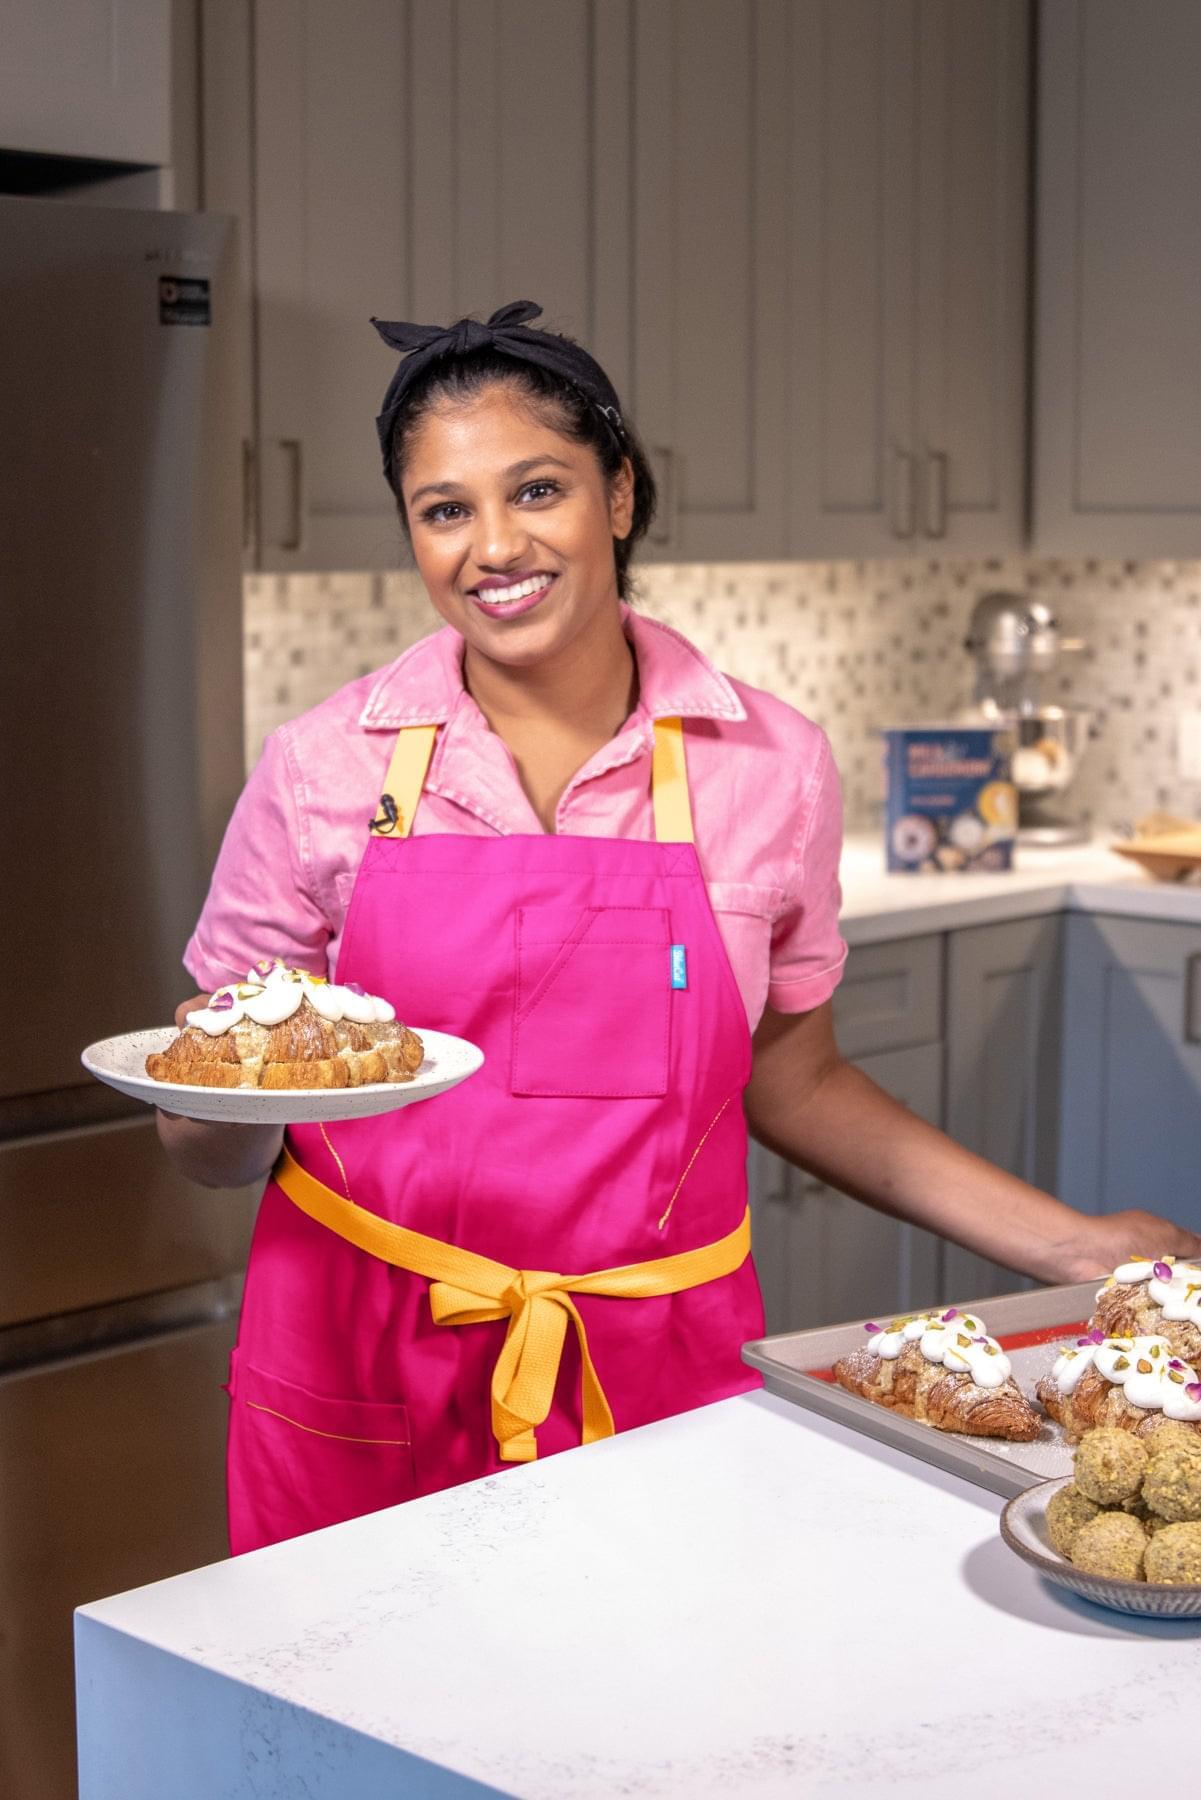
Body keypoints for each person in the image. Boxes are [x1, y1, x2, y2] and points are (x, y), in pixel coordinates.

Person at [159, 300, 1201, 1552]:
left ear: (619, 497)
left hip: (653, 1362)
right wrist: (209, 1102)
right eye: (444, 510)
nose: (493, 545)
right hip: (361, 1345)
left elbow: (792, 1074)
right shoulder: (324, 765)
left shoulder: (768, 765)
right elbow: (208, 1138)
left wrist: (1072, 1241)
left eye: (535, 489)